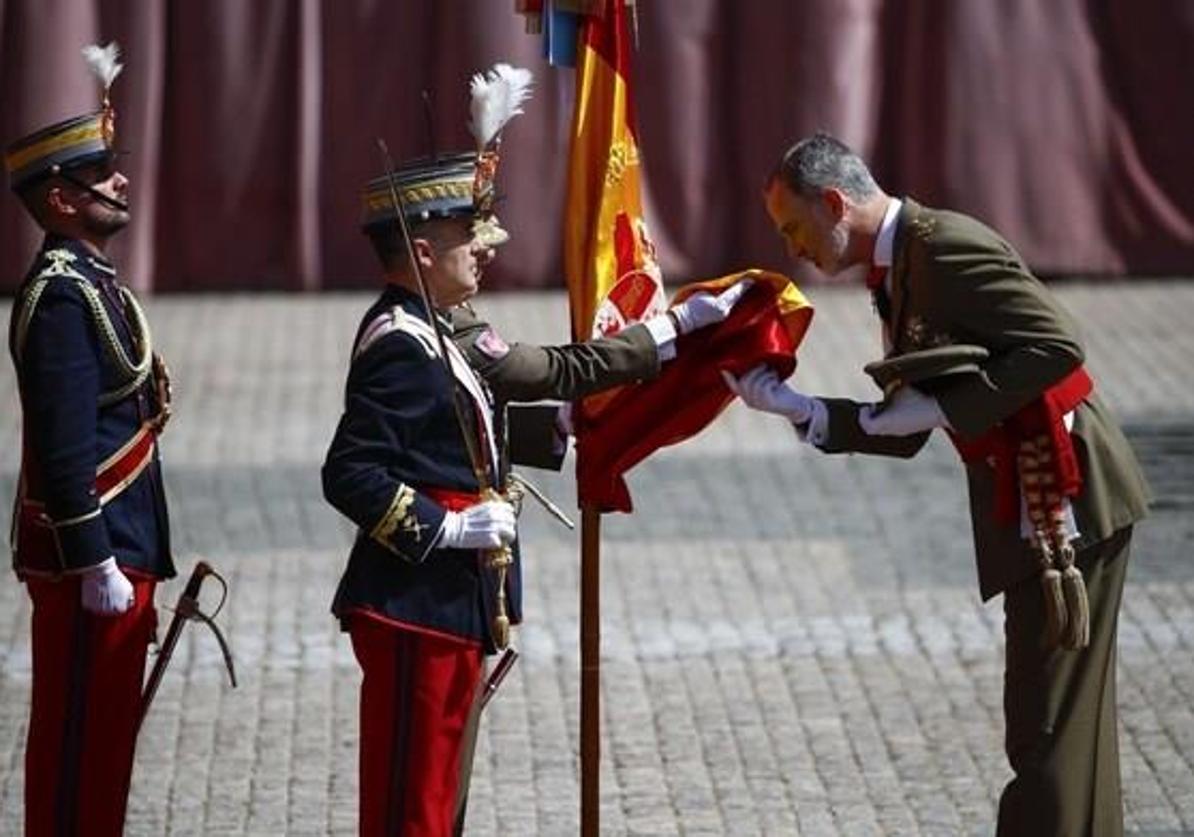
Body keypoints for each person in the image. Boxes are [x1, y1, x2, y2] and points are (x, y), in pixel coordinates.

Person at [726, 132, 1151, 836]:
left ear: (835, 202)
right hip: (1029, 500)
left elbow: (1057, 345)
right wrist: (800, 410)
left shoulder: (943, 246)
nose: (794, 247)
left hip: (1067, 496)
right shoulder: (897, 268)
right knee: (1060, 733)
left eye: (795, 227)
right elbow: (907, 424)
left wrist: (952, 405)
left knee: (1048, 731)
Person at [322, 151, 746, 835]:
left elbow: (451, 424)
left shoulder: (438, 325)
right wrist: (446, 528)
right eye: (469, 239)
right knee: (412, 800)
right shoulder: (401, 341)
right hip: (414, 605)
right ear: (424, 251)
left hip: (448, 605)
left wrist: (556, 426)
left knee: (438, 795)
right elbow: (349, 470)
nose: (484, 252)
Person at [5, 50, 175, 836]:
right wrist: (92, 559)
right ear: (60, 198)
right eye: (101, 174)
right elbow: (64, 444)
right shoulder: (60, 297)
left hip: (122, 548)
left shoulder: (92, 280)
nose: (121, 183)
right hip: (91, 563)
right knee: (76, 749)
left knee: (105, 752)